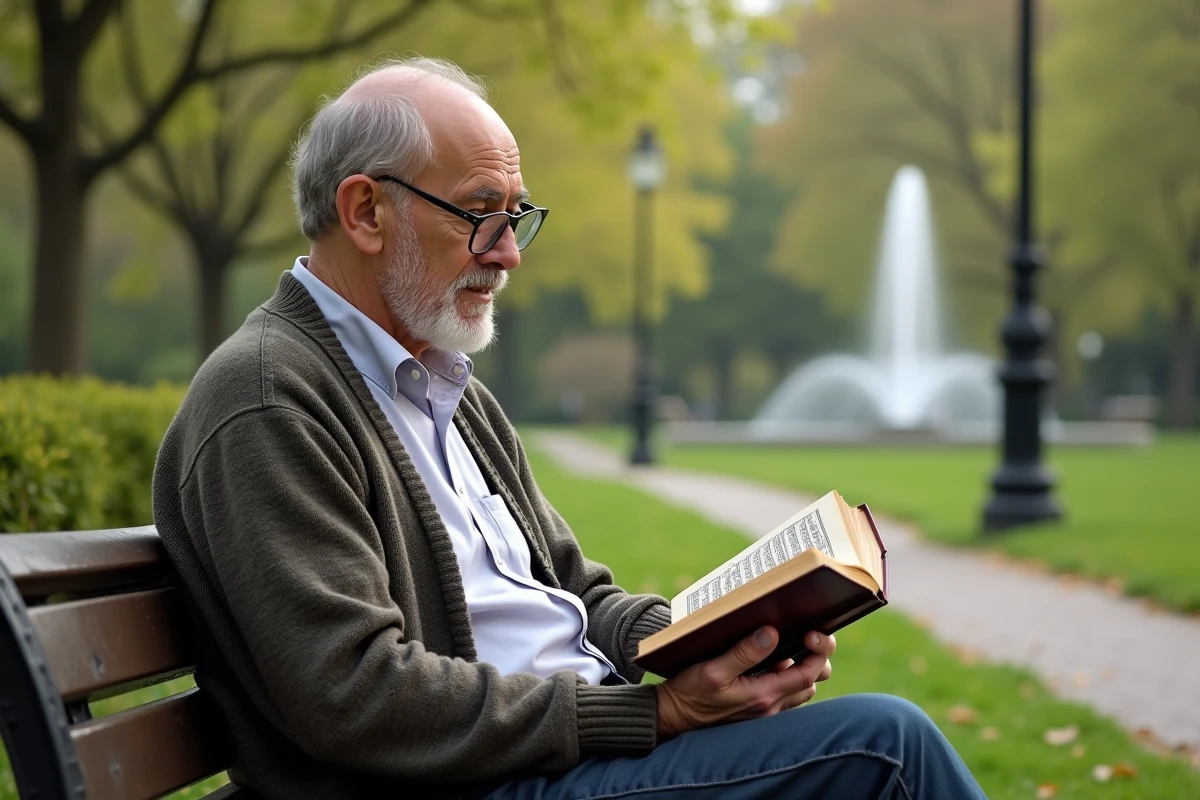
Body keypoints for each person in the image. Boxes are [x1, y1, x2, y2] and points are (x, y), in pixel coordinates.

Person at [152, 56, 986, 800]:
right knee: (887, 748)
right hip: (477, 784)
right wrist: (650, 713)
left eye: (517, 216)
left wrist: (706, 644)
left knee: (879, 739)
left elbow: (576, 594)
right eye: (481, 212)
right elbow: (356, 696)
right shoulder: (267, 400)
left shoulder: (447, 389)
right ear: (366, 212)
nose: (509, 253)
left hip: (556, 761)